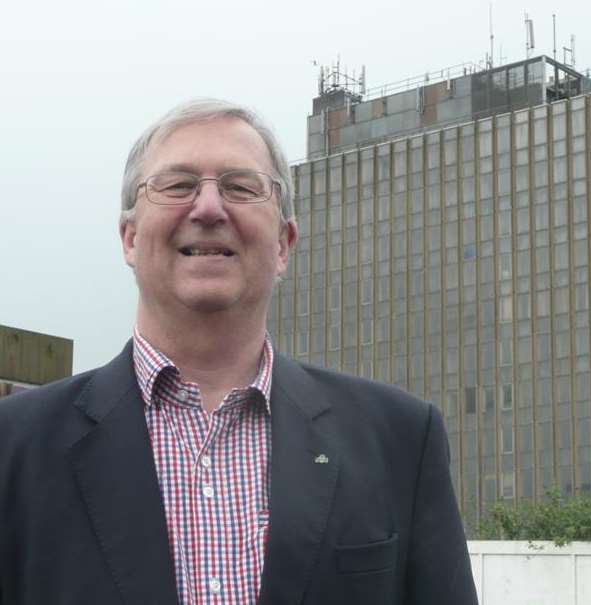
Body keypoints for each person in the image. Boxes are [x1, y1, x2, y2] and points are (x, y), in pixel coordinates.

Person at [0, 99, 479, 605]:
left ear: (284, 244)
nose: (208, 208)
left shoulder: (399, 441)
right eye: (178, 184)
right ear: (130, 238)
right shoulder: (13, 448)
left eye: (241, 187)